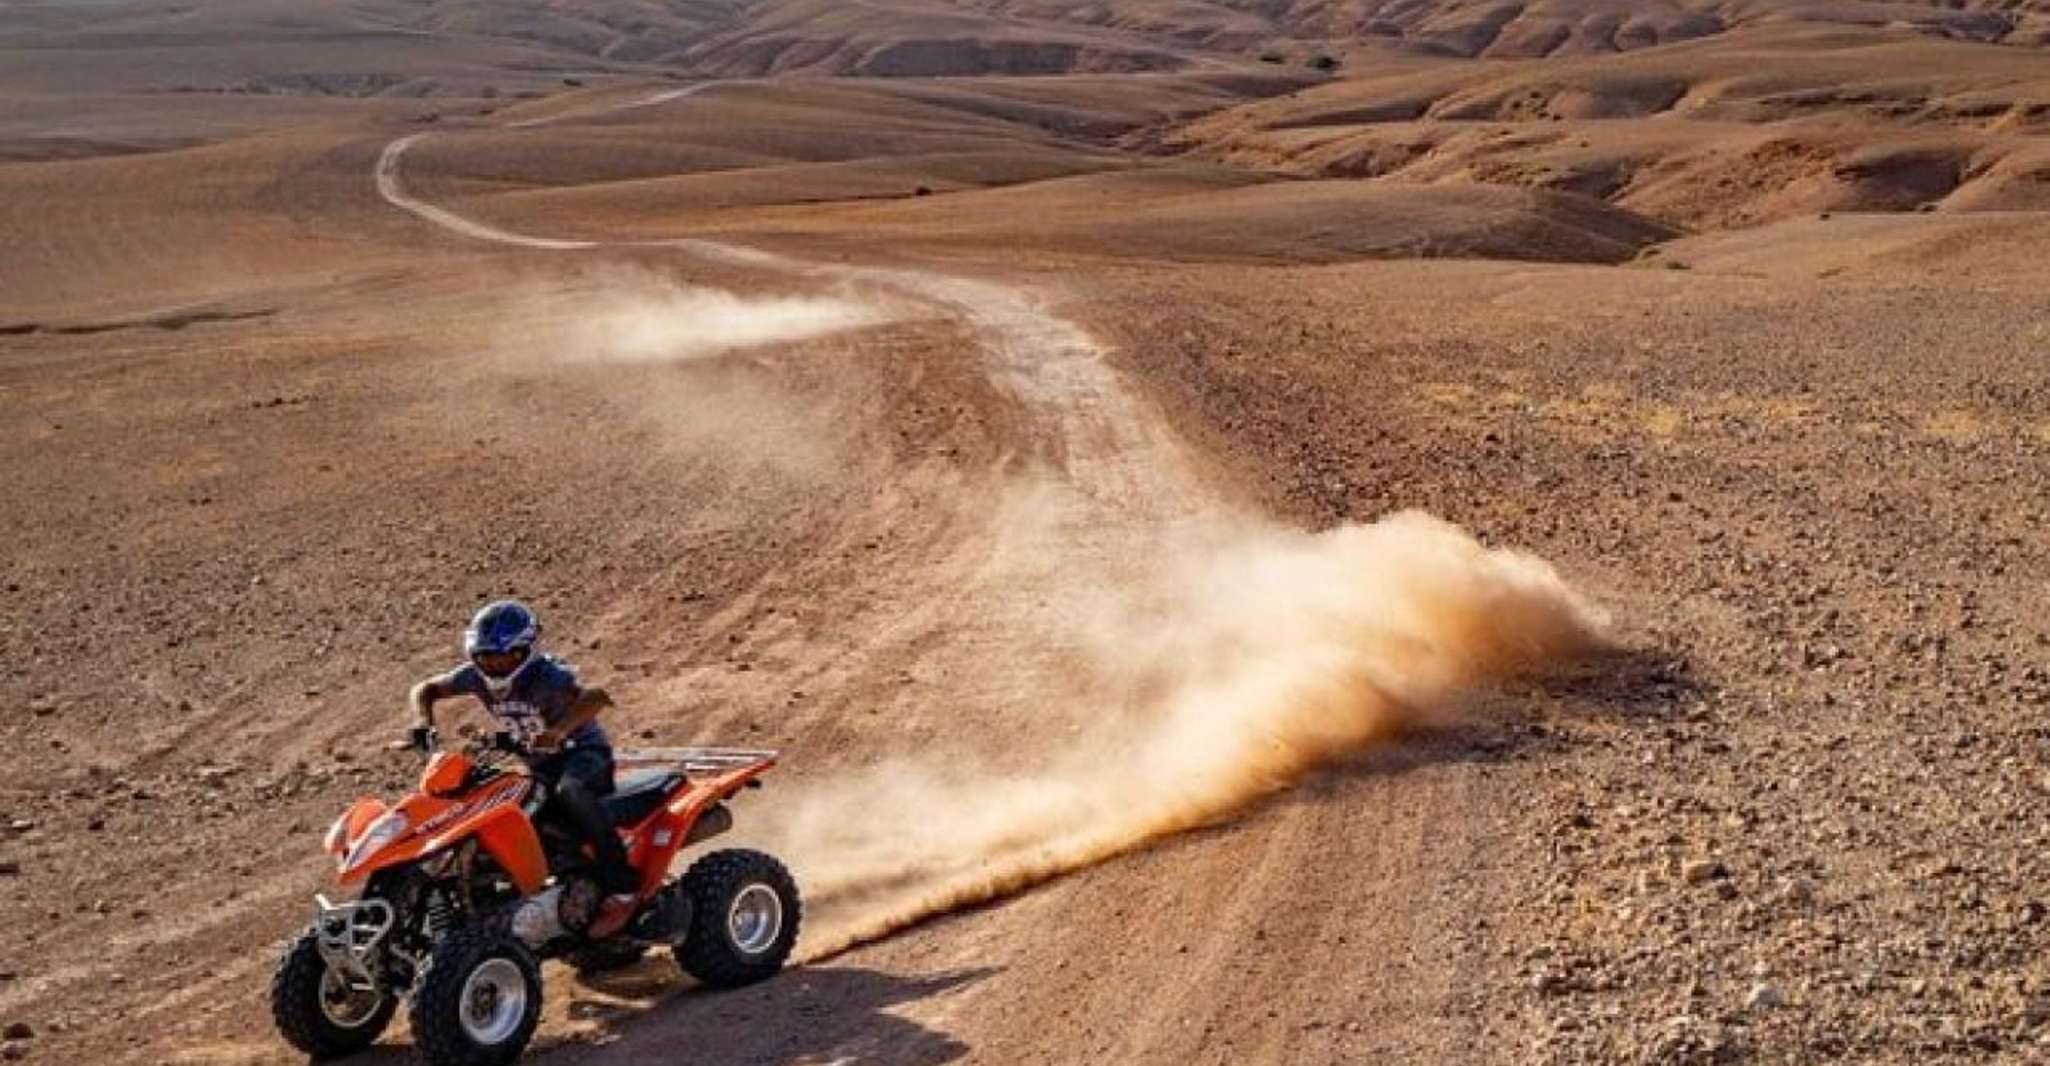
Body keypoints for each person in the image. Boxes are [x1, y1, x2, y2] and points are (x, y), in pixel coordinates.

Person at [408, 599, 640, 938]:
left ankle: (624, 888)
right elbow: (425, 689)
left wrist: (559, 730)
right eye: (485, 656)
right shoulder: (474, 677)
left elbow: (596, 697)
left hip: (583, 755)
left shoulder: (549, 675)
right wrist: (422, 721)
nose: (494, 664)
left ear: (524, 651)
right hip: (540, 765)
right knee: (507, 812)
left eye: (504, 656)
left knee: (570, 792)